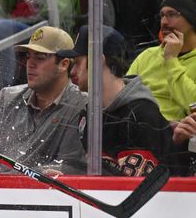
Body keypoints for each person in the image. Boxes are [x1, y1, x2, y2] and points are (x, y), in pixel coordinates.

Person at [0, 26, 87, 174]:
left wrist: (4, 182)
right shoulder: (7, 98)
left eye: (40, 57)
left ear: (64, 64)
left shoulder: (80, 104)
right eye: (28, 56)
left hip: (43, 195)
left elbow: (69, 167)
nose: (30, 63)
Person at [62, 25, 172, 176]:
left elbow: (132, 190)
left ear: (98, 61)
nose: (72, 71)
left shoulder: (141, 115)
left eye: (78, 62)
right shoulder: (88, 115)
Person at [128, 0, 196, 122]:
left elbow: (193, 104)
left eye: (172, 14)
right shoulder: (147, 56)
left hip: (177, 134)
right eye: (162, 15)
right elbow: (125, 96)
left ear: (192, 19)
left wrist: (171, 60)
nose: (164, 22)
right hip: (136, 129)